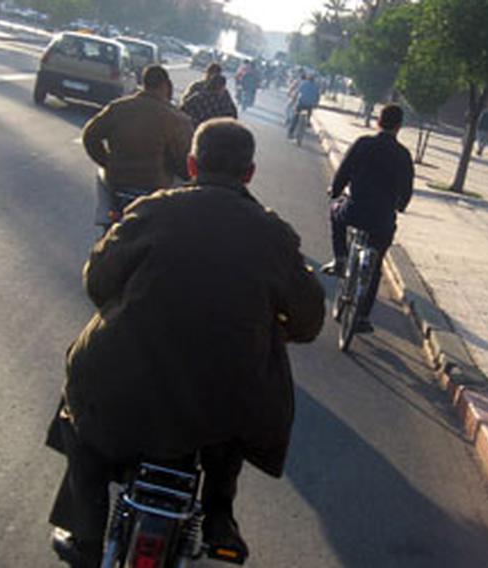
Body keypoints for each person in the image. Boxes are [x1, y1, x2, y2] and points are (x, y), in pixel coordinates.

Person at [48, 119, 326, 567]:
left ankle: (86, 537)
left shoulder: (154, 209)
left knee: (79, 416)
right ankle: (219, 512)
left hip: (124, 385)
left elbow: (98, 282)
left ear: (193, 164)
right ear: (249, 173)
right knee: (231, 421)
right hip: (227, 403)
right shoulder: (275, 236)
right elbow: (310, 321)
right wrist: (268, 329)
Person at [321, 105, 414, 332]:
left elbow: (344, 171)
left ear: (378, 121)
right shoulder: (403, 155)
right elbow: (406, 191)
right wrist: (399, 205)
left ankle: (341, 257)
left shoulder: (364, 144)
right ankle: (362, 317)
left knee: (336, 211)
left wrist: (336, 191)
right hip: (382, 220)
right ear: (399, 127)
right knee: (375, 266)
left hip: (355, 210)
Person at [82, 65, 193, 230]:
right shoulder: (177, 119)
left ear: (144, 82)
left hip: (118, 180)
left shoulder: (118, 108)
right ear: (166, 86)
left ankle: (106, 218)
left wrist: (108, 162)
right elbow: (183, 162)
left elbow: (89, 136)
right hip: (155, 187)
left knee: (101, 176)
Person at [287, 73, 320, 139]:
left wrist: (294, 98)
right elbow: (318, 97)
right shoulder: (316, 87)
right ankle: (307, 121)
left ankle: (290, 132)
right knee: (308, 114)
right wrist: (316, 104)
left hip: (301, 104)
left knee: (295, 117)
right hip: (309, 106)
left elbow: (297, 92)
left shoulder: (303, 84)